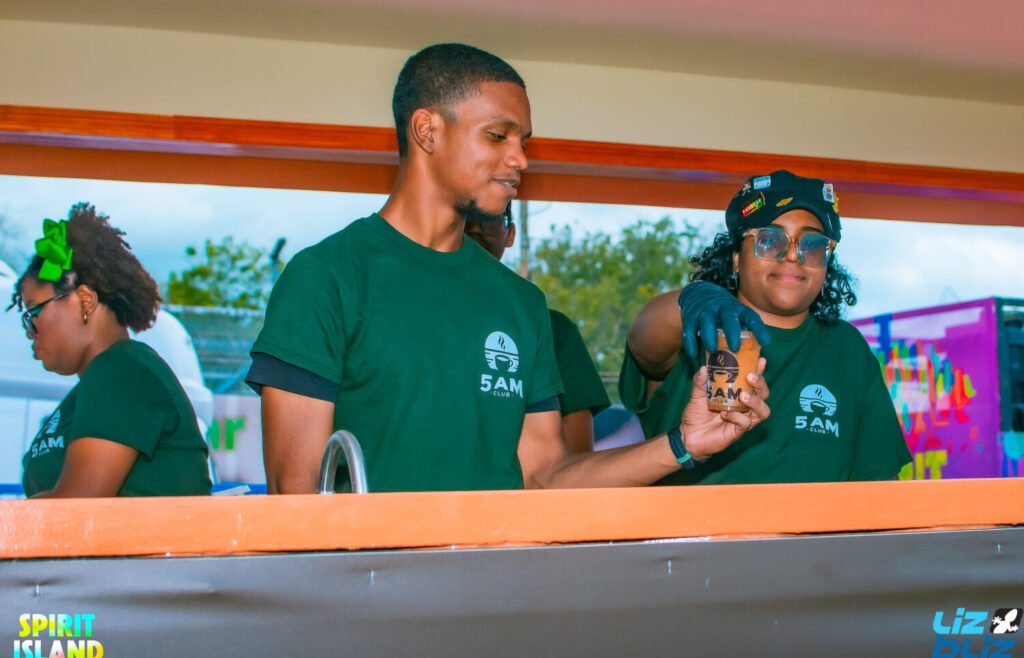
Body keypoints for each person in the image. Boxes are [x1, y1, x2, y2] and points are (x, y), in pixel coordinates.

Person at [247, 43, 770, 494]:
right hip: (369, 580)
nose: (520, 159)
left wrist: (683, 444)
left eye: (524, 142)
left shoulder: (519, 302)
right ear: (427, 131)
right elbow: (296, 492)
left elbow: (545, 477)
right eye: (498, 136)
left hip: (495, 578)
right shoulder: (326, 277)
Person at [621, 170, 911, 484]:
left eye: (812, 245)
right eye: (770, 240)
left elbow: (881, 482)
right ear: (736, 259)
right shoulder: (699, 328)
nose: (793, 256)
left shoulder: (846, 348)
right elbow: (643, 342)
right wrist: (693, 297)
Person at [10, 204, 212, 497]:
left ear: (85, 300)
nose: (30, 330)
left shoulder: (122, 369)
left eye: (33, 312)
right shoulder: (98, 381)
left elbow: (76, 507)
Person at [465, 204, 610, 452]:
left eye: (490, 217)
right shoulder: (411, 313)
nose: (476, 227)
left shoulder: (555, 330)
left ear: (510, 233)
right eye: (466, 214)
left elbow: (575, 458)